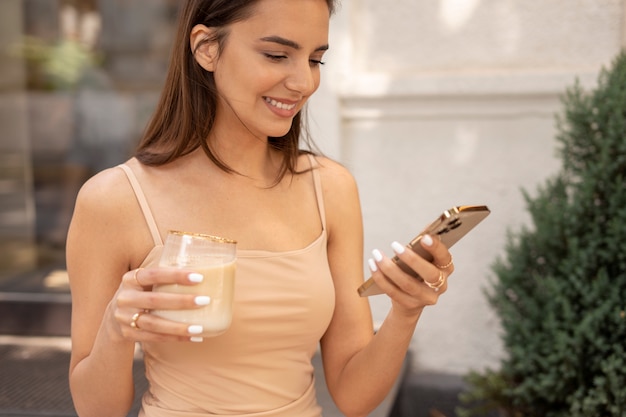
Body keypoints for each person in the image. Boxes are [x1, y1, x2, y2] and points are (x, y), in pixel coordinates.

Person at [66, 0, 455, 416]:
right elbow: (96, 410)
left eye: (316, 59)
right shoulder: (114, 200)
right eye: (276, 55)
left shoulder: (330, 189)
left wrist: (405, 312)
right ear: (206, 48)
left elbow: (354, 396)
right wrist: (117, 328)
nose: (304, 81)